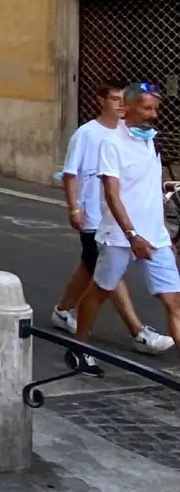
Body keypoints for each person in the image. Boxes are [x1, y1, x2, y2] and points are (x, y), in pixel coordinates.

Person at [52, 81, 171, 354]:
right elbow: (70, 174)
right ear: (101, 101)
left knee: (90, 268)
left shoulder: (137, 136)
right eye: (114, 99)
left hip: (119, 220)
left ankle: (63, 311)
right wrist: (74, 209)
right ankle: (137, 330)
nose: (119, 104)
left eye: (122, 99)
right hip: (96, 217)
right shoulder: (87, 134)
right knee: (108, 276)